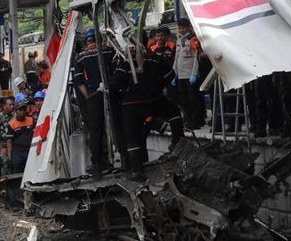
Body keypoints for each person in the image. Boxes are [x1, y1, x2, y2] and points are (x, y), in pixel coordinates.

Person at [109, 35, 183, 181]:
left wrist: (125, 92)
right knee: (174, 112)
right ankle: (178, 143)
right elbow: (170, 74)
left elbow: (114, 84)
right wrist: (157, 87)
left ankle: (137, 171)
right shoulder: (155, 59)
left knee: (132, 137)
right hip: (152, 100)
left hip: (130, 106)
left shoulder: (126, 63)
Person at [71, 28, 114, 180]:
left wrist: (88, 96)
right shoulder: (109, 52)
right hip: (111, 93)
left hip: (93, 96)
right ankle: (120, 159)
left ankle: (97, 164)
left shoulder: (81, 57)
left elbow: (78, 80)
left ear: (86, 42)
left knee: (96, 130)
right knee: (115, 124)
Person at [172, 18, 206, 129]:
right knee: (184, 100)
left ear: (188, 27)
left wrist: (194, 73)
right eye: (179, 28)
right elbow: (177, 58)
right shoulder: (179, 40)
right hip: (181, 75)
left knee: (194, 100)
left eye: (183, 28)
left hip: (191, 74)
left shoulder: (194, 39)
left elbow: (196, 58)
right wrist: (174, 73)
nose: (181, 30)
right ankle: (187, 121)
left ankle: (196, 122)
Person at [5, 100, 34, 174]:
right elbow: (9, 141)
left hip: (29, 150)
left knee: (29, 171)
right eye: (20, 110)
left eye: (23, 110)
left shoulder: (31, 120)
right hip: (17, 151)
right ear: (16, 111)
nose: (22, 112)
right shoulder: (11, 124)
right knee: (17, 171)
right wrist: (9, 156)